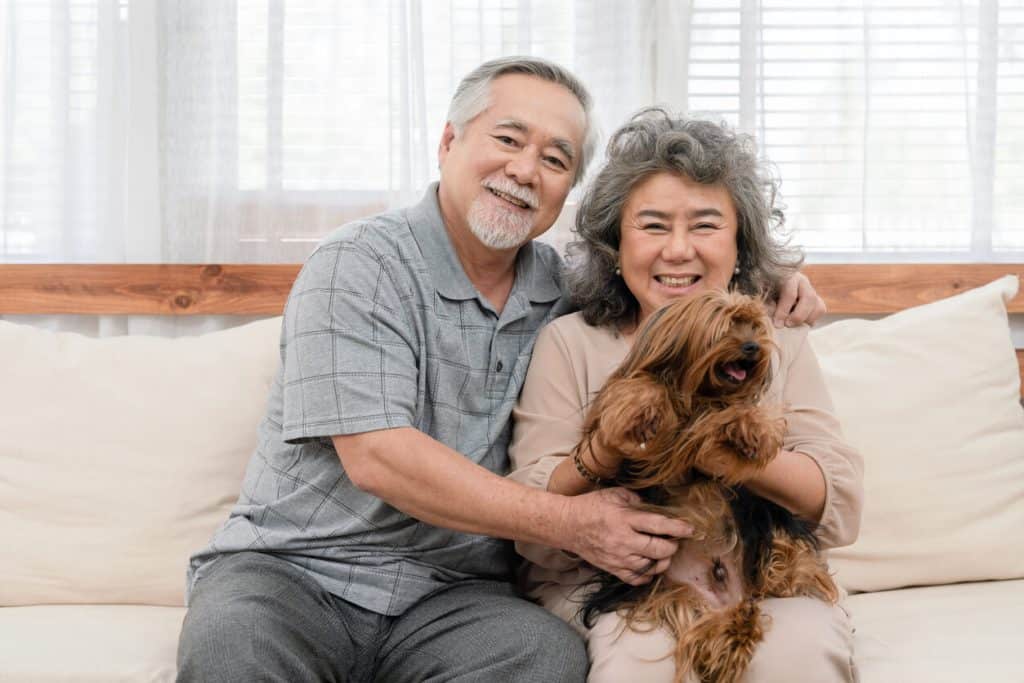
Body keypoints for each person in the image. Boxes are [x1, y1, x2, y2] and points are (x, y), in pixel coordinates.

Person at [177, 57, 825, 682]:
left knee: (544, 658)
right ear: (448, 142)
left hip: (450, 595)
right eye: (509, 139)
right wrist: (569, 521)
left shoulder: (559, 291)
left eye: (555, 159)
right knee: (234, 648)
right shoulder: (358, 262)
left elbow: (663, 289)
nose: (525, 169)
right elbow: (378, 457)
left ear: (567, 191)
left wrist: (769, 279)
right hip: (299, 570)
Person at [509, 108, 864, 683]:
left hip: (755, 567)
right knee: (642, 662)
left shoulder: (771, 336)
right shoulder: (572, 342)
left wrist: (725, 455)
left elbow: (839, 507)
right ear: (614, 245)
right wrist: (604, 454)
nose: (678, 251)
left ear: (739, 243)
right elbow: (532, 526)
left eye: (704, 225)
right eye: (652, 226)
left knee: (797, 653)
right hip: (624, 584)